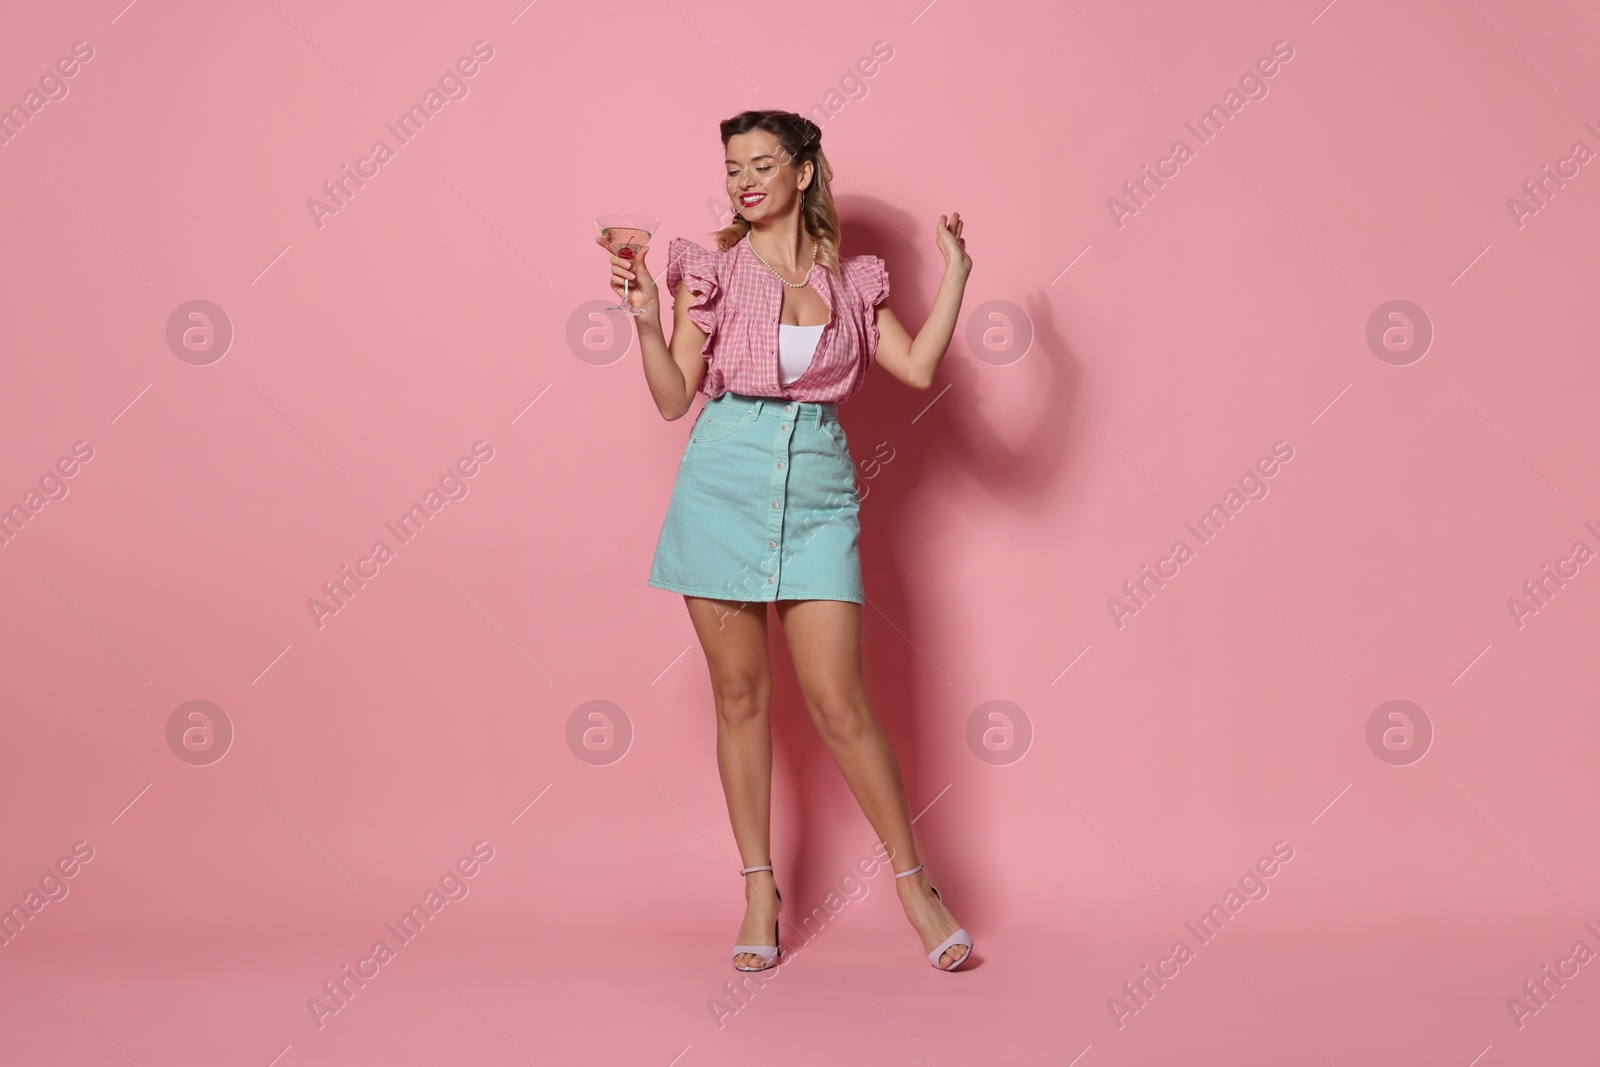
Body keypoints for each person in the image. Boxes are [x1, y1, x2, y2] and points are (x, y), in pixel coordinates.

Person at [596, 109, 974, 971]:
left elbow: (914, 367)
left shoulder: (852, 279)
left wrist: (956, 273)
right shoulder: (714, 271)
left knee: (841, 703)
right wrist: (649, 321)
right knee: (740, 699)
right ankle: (760, 887)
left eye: (762, 163)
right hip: (720, 486)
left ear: (805, 171)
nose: (743, 180)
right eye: (732, 167)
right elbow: (671, 397)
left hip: (819, 499)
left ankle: (916, 885)